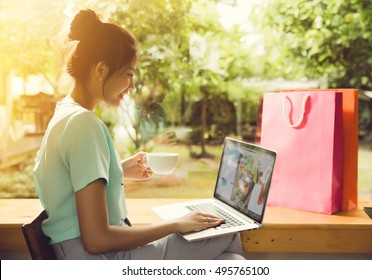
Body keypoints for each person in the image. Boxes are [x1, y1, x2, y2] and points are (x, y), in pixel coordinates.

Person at [33, 9, 245, 260]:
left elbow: (67, 184)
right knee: (228, 233)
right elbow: (97, 240)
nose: (131, 86)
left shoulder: (65, 113)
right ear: (101, 69)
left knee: (230, 260)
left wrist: (117, 169)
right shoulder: (85, 125)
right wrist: (177, 224)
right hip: (103, 261)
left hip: (76, 254)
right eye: (129, 74)